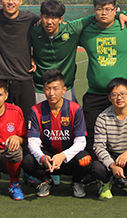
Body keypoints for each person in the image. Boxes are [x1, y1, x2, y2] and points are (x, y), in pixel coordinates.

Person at [32, 0, 127, 103]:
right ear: (41, 17)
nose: (49, 22)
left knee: (71, 114)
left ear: (60, 19)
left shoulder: (71, 30)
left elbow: (96, 17)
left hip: (66, 89)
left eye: (54, 18)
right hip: (41, 89)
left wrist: (119, 14)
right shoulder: (33, 31)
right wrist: (30, 57)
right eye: (46, 17)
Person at [79, 0, 127, 152]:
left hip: (122, 94)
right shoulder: (86, 32)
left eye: (108, 9)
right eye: (99, 9)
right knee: (91, 134)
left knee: (123, 135)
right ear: (94, 10)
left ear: (115, 10)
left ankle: (122, 165)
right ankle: (93, 166)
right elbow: (65, 31)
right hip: (95, 94)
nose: (103, 13)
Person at [23, 70, 92, 198]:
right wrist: (42, 157)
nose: (51, 93)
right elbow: (33, 141)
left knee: (85, 160)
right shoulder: (36, 110)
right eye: (48, 89)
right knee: (27, 161)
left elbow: (81, 141)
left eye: (55, 88)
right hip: (47, 159)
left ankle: (76, 182)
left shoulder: (75, 109)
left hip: (67, 158)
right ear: (43, 90)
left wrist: (63, 155)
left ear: (64, 89)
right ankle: (47, 181)